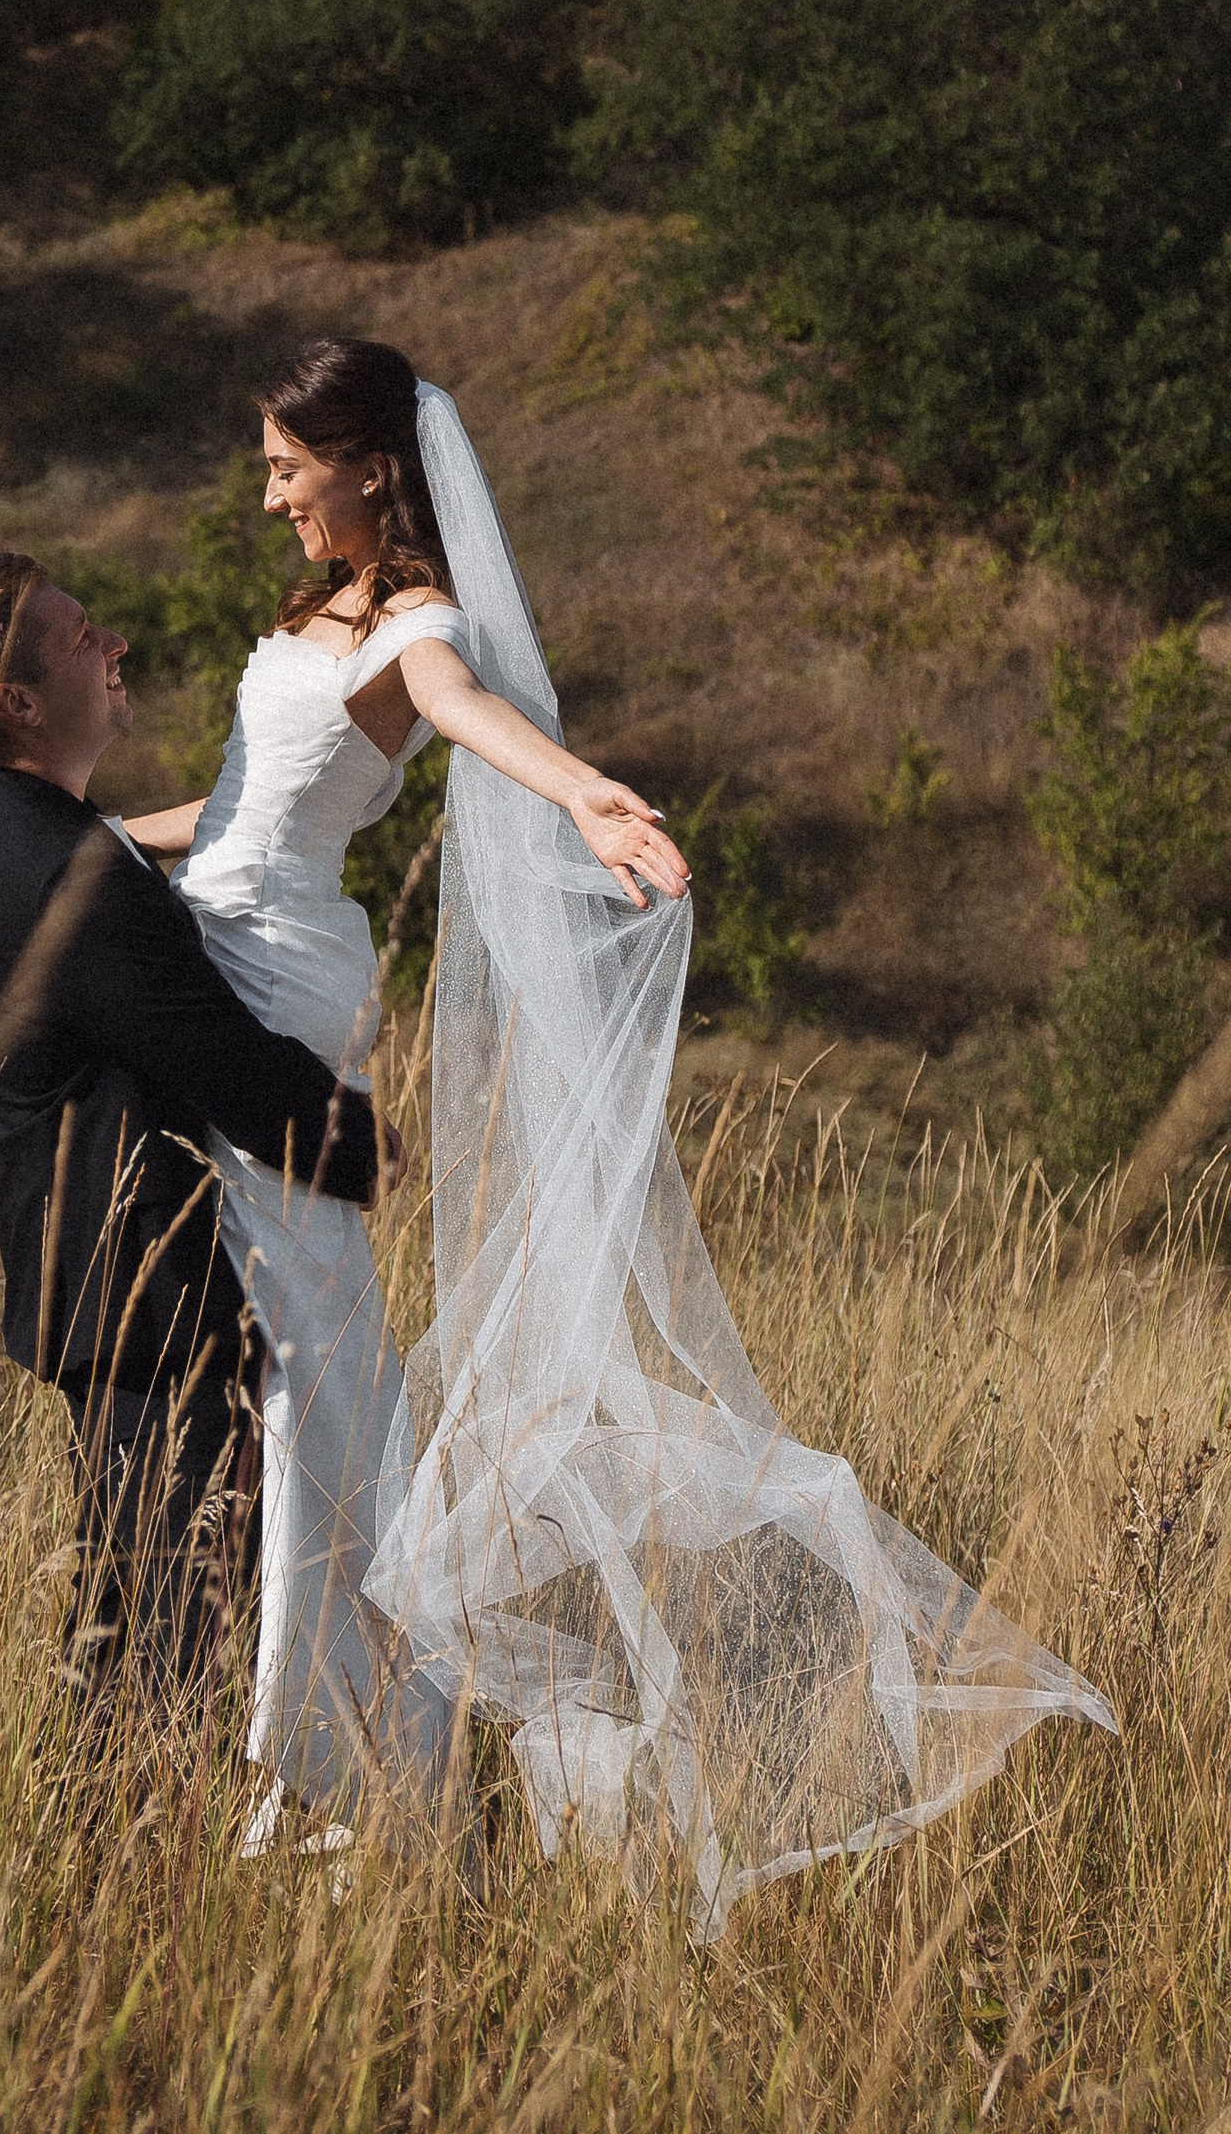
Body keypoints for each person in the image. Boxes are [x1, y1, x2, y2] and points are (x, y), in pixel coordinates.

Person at [129, 337, 1115, 1926]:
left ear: (373, 464)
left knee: (311, 1347)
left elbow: (462, 714)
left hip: (285, 979)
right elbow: (236, 806)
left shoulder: (420, 630)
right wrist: (98, 842)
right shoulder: (309, 616)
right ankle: (324, 1719)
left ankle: (333, 1749)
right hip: (212, 929)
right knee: (261, 1340)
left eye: (285, 469)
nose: (268, 498)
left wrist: (585, 794)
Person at [0, 551, 393, 1725]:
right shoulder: (53, 867)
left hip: (123, 1277)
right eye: (80, 639)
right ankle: (117, 1858)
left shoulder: (31, 828)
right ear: (15, 702)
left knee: (155, 1603)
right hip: (139, 1286)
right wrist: (372, 1147)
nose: (113, 643)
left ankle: (120, 1843)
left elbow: (136, 853)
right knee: (170, 1621)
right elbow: (216, 1055)